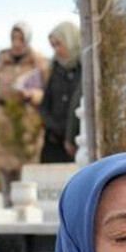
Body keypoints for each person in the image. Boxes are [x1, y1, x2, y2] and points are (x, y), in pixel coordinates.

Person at [0, 22, 50, 205]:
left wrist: (32, 95)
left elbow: (48, 94)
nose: (16, 43)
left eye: (20, 39)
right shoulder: (2, 62)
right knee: (5, 171)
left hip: (27, 123)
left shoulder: (38, 61)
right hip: (3, 123)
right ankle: (7, 206)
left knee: (26, 172)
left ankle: (26, 210)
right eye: (13, 39)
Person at [40, 21, 82, 164]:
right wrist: (53, 126)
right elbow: (44, 105)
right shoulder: (54, 69)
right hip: (53, 142)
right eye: (53, 46)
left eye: (59, 44)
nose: (56, 50)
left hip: (76, 142)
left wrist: (70, 135)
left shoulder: (84, 69)